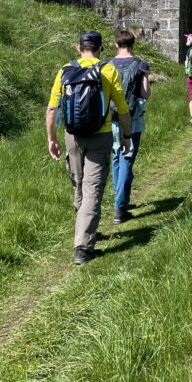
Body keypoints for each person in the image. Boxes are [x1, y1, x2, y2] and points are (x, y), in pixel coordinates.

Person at [46, 31, 131, 265]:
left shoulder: (65, 69)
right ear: (100, 49)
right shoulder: (108, 70)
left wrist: (52, 138)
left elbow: (52, 108)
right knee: (92, 189)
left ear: (79, 48)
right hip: (101, 135)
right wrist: (126, 136)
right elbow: (122, 108)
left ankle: (85, 228)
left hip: (72, 136)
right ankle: (83, 247)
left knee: (78, 183)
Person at [108, 30, 151, 224]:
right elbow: (145, 93)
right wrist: (146, 76)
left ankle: (121, 199)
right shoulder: (140, 64)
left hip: (112, 118)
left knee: (116, 157)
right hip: (133, 118)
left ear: (116, 45)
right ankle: (120, 207)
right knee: (127, 158)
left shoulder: (107, 65)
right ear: (133, 45)